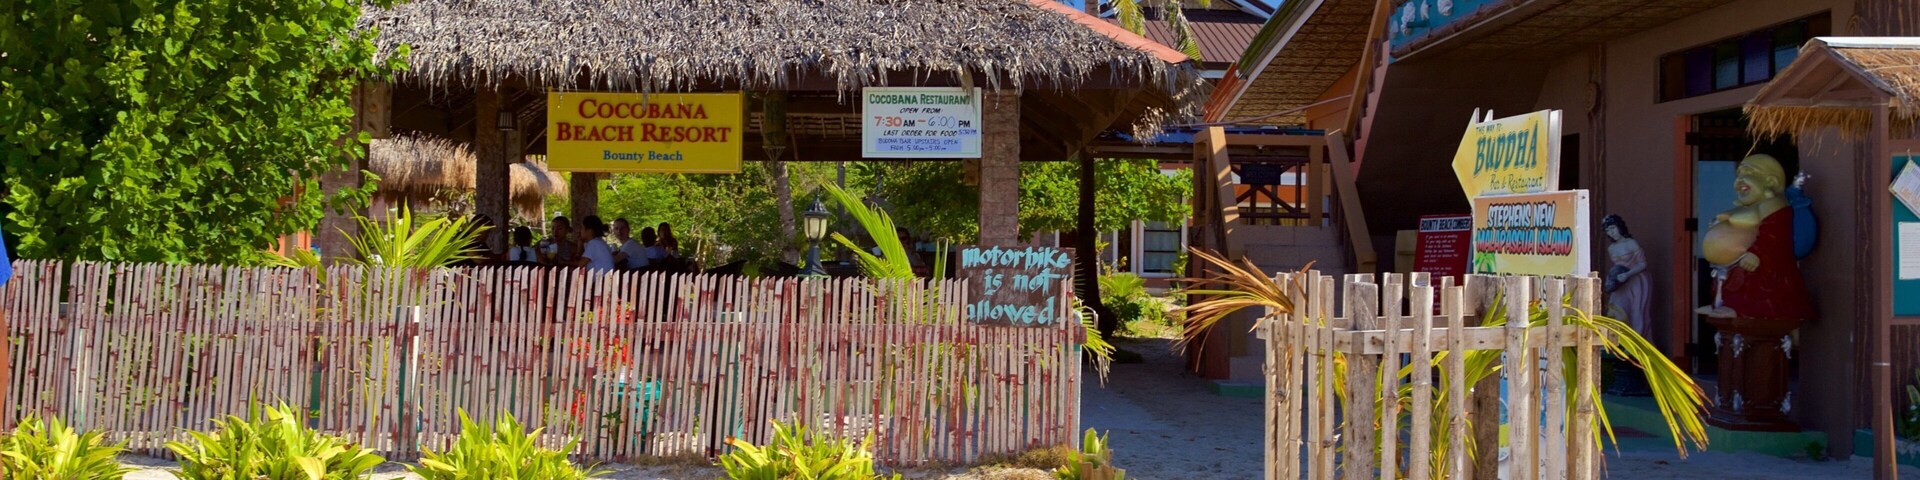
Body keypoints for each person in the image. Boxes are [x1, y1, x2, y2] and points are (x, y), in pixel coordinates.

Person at [1601, 215, 1651, 335]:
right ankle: (1619, 339)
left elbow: (1643, 264)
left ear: (1619, 227)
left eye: (1613, 228)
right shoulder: (1611, 248)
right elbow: (1616, 266)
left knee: (1637, 311)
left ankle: (1636, 340)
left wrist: (1628, 274)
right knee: (1617, 309)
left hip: (1635, 281)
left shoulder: (1631, 243)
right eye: (1608, 230)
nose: (1611, 232)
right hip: (1620, 283)